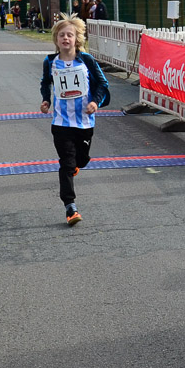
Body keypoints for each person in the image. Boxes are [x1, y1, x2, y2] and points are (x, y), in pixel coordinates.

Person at [39, 16, 109, 226]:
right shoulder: (50, 61)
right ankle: (70, 207)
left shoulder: (86, 60)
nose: (65, 38)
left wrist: (95, 102)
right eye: (61, 35)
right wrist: (45, 99)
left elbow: (103, 84)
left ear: (77, 39)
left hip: (85, 122)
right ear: (56, 39)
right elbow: (45, 82)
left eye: (69, 35)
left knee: (82, 160)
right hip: (61, 123)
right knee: (66, 163)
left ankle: (76, 165)